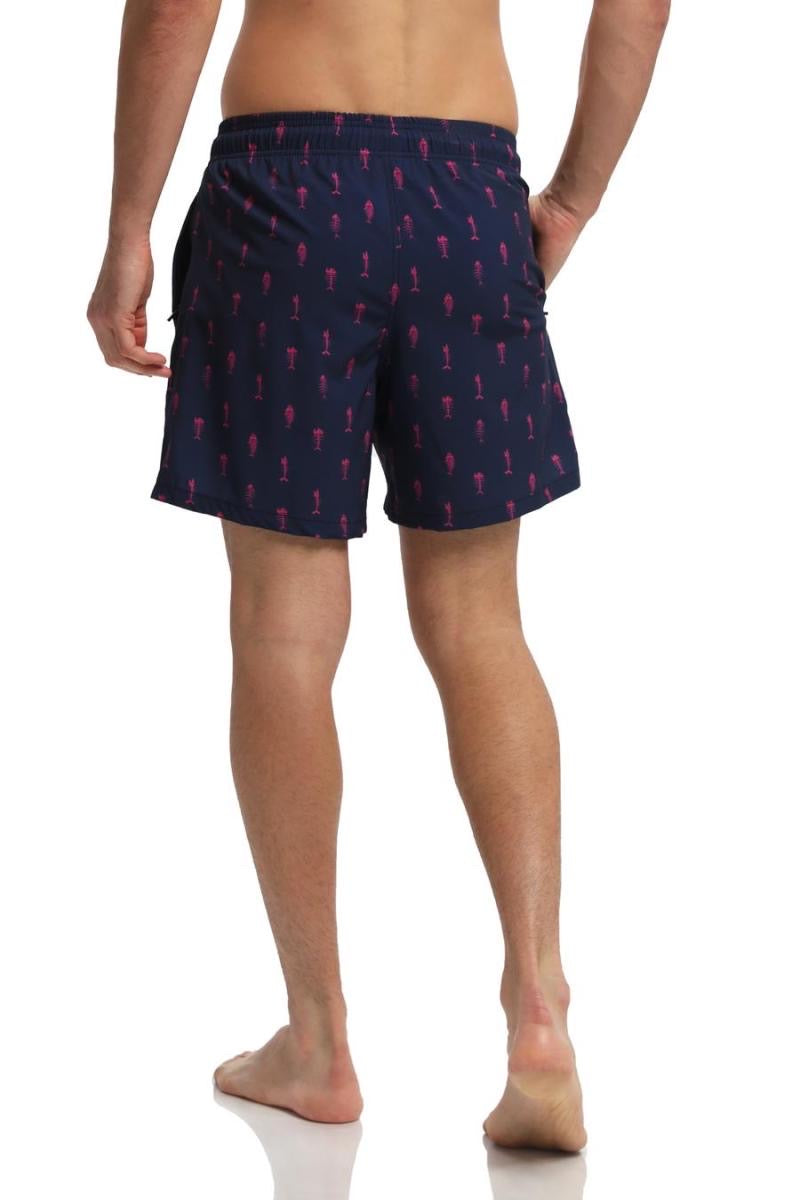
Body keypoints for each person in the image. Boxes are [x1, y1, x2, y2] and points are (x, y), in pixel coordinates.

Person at [88, 0, 669, 1151]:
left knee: (284, 628)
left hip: (287, 189)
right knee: (479, 620)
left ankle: (317, 1044)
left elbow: (176, 7)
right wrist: (569, 199)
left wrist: (128, 226)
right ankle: (538, 1009)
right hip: (468, 194)